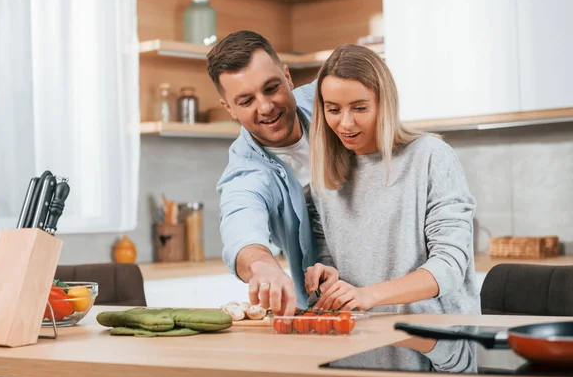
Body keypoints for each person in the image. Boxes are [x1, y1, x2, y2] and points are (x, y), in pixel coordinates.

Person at [304, 44, 481, 314]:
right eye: (333, 109)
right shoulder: (325, 176)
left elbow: (449, 266)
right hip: (358, 340)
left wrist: (369, 295)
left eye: (359, 108)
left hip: (434, 342)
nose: (346, 123)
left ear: (383, 104)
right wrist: (329, 276)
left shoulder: (430, 156)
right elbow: (331, 259)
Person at [206, 30, 335, 316]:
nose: (265, 107)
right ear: (229, 108)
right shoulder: (246, 171)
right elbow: (241, 222)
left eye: (271, 87)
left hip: (404, 291)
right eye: (246, 101)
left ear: (287, 77)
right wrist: (262, 265)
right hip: (329, 309)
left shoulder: (333, 102)